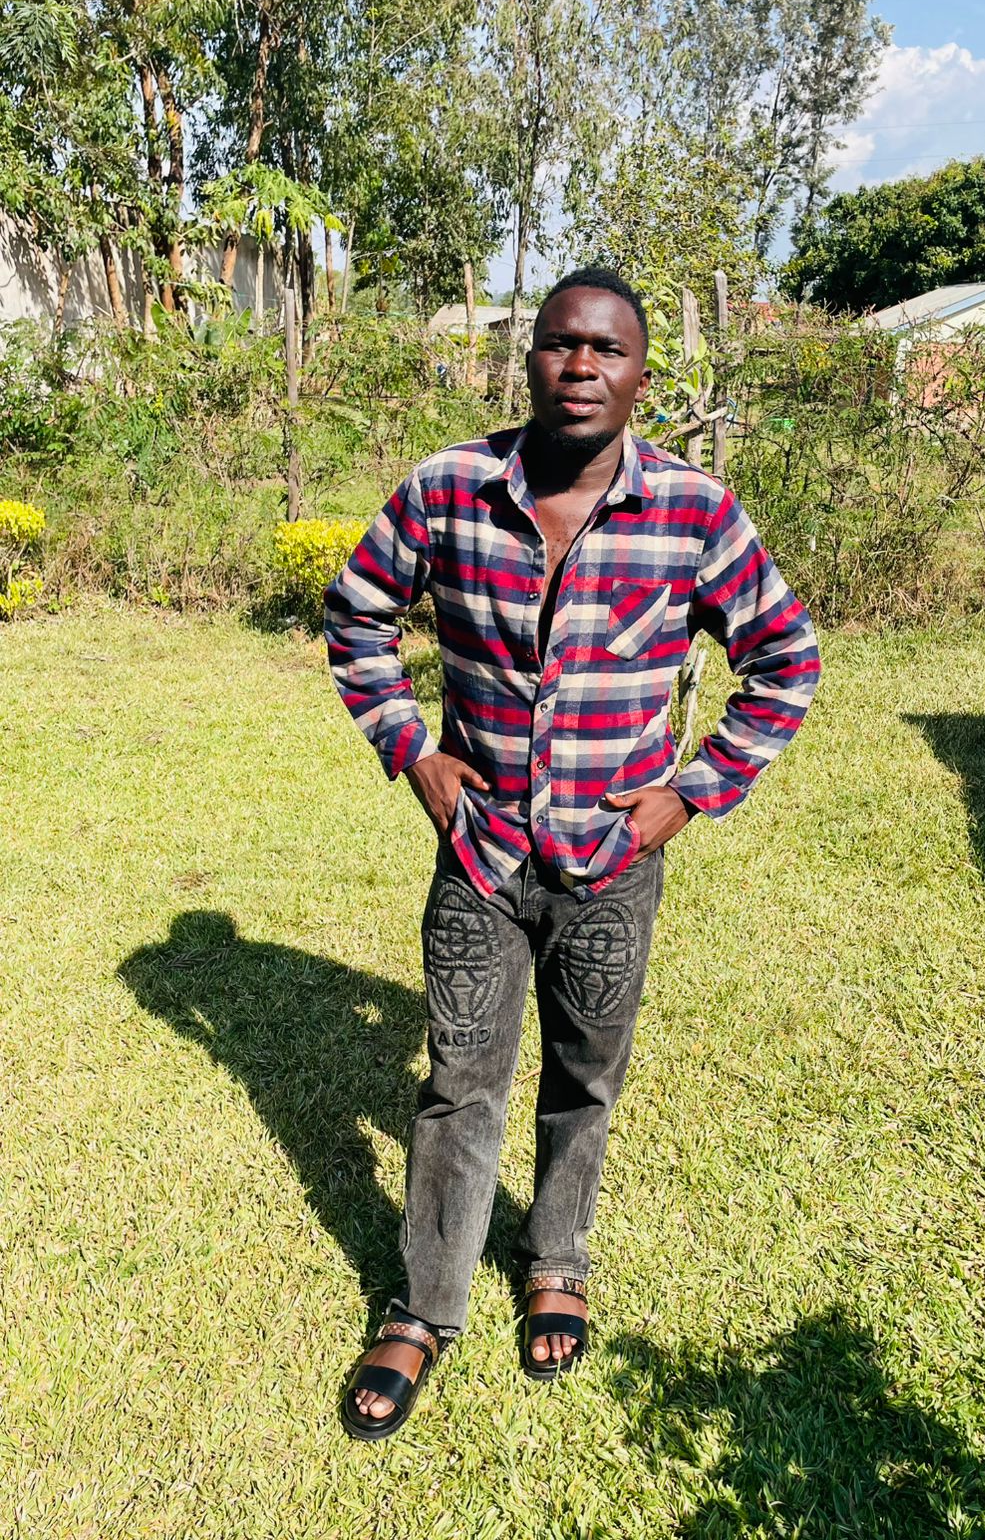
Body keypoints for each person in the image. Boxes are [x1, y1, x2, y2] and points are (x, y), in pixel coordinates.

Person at [324, 266, 820, 1441]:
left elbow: (784, 661)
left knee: (585, 1074)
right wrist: (413, 748)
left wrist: (689, 794)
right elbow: (356, 615)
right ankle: (425, 1307)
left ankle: (556, 1259)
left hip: (611, 863)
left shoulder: (692, 512)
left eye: (607, 349)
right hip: (482, 854)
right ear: (530, 358)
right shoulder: (449, 489)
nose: (582, 366)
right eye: (559, 344)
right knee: (459, 1080)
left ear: (642, 375)